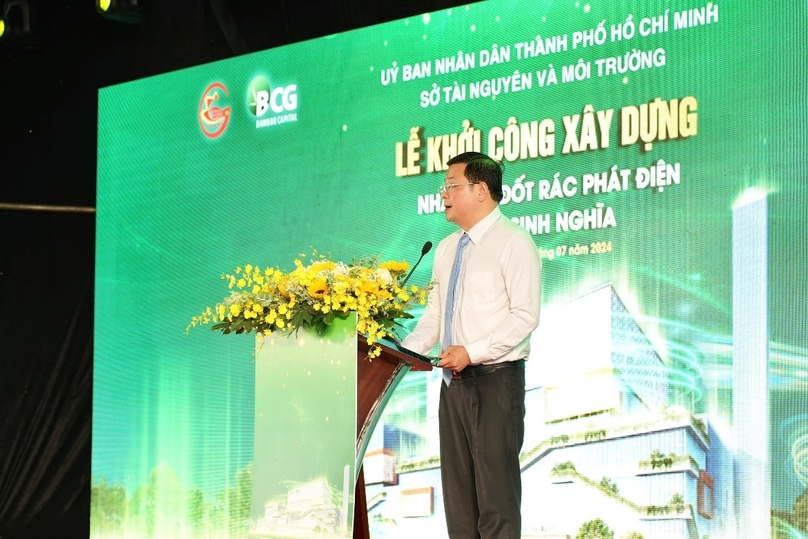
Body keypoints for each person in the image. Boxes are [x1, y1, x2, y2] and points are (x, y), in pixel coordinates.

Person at [402, 151, 542, 539]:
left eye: (451, 186)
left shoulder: (514, 241)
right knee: (459, 507)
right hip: (454, 387)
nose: (443, 194)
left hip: (496, 383)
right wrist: (402, 350)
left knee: (496, 505)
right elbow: (434, 316)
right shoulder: (447, 248)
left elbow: (525, 316)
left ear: (481, 190)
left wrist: (471, 351)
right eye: (443, 186)